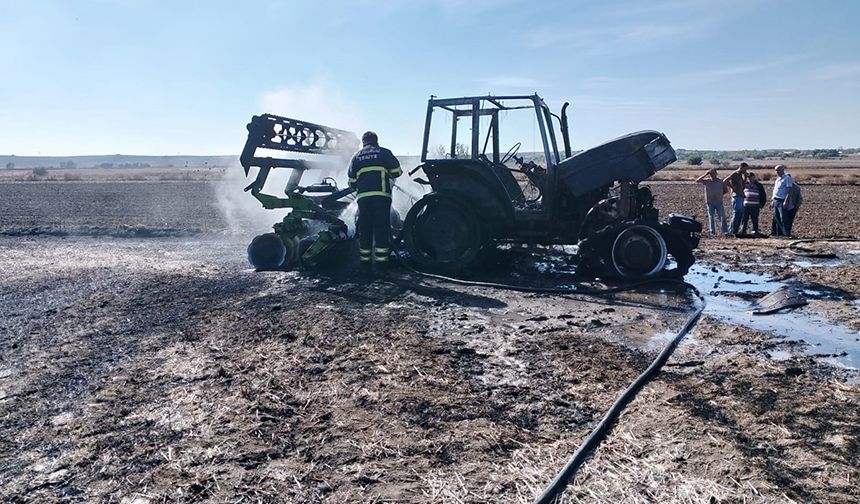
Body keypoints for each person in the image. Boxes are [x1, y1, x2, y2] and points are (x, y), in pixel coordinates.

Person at [347, 131, 402, 274]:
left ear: (363, 141)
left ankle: (364, 266)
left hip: (364, 200)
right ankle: (381, 266)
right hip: (382, 198)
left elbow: (352, 182)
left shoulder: (356, 156)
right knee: (381, 230)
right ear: (376, 141)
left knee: (365, 231)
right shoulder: (384, 153)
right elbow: (397, 171)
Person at [695, 168, 729, 236]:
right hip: (710, 202)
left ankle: (725, 232)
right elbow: (697, 180)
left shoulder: (720, 181)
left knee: (722, 217)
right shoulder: (707, 181)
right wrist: (705, 174)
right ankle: (712, 232)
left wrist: (720, 195)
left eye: (713, 173)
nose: (712, 175)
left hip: (719, 202)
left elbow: (726, 190)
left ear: (716, 173)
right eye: (711, 174)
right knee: (711, 217)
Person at [723, 162, 748, 236]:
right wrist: (732, 187)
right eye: (745, 169)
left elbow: (743, 186)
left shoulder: (741, 175)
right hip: (736, 196)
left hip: (741, 195)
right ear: (741, 167)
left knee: (740, 214)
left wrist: (745, 178)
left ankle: (734, 231)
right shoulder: (735, 174)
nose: (746, 171)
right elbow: (725, 181)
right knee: (736, 213)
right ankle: (733, 231)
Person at [770, 164, 794, 237]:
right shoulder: (777, 179)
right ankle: (779, 234)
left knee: (783, 217)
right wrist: (772, 200)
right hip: (776, 200)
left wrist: (786, 201)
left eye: (778, 170)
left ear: (782, 170)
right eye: (776, 171)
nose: (777, 172)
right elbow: (775, 191)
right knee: (777, 218)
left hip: (782, 200)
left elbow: (789, 190)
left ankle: (786, 233)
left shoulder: (787, 178)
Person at [740, 172, 765, 236]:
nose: (750, 178)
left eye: (751, 177)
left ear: (754, 177)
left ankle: (755, 231)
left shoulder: (759, 185)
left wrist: (762, 204)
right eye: (748, 177)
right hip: (746, 205)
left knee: (754, 219)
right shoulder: (745, 185)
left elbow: (763, 195)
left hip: (755, 205)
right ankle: (743, 231)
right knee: (744, 219)